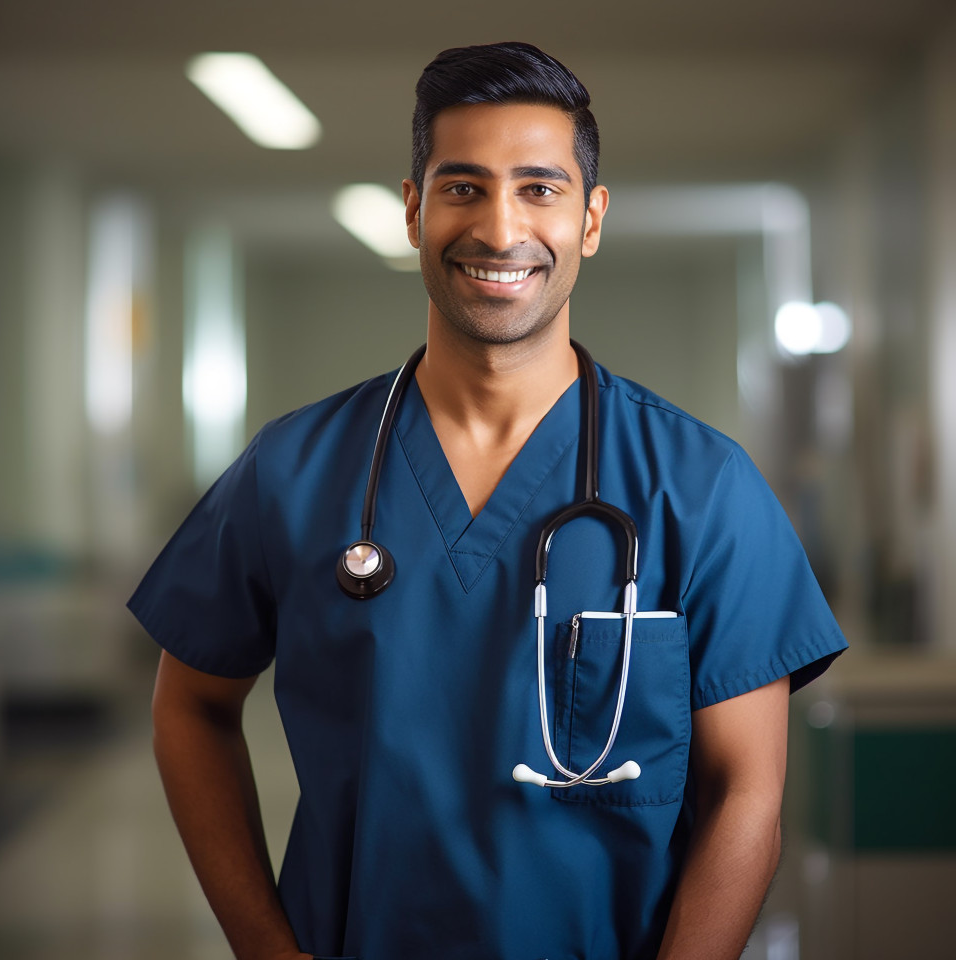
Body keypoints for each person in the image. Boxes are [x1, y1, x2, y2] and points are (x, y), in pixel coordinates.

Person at [129, 41, 847, 960]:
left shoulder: (701, 487)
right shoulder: (293, 470)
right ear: (413, 209)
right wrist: (268, 949)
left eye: (539, 189)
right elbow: (187, 705)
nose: (500, 229)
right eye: (463, 186)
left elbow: (748, 795)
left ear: (591, 219)